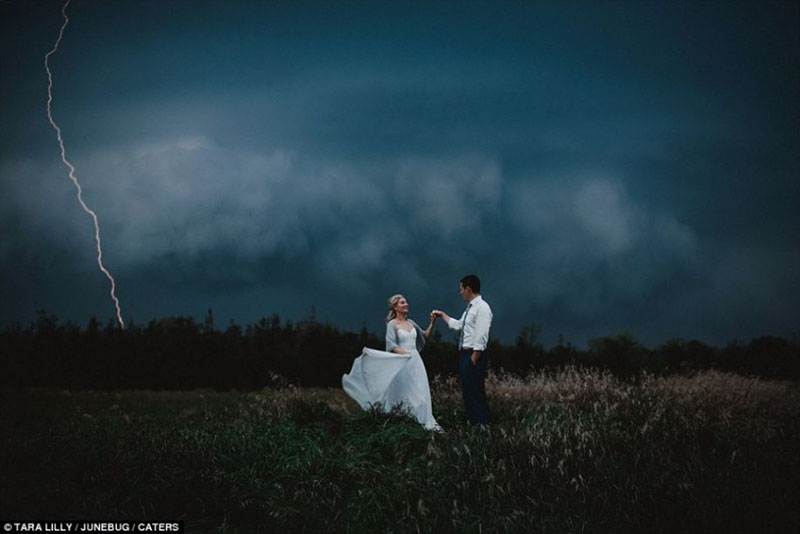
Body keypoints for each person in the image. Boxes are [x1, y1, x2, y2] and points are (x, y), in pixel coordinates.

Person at [342, 294, 442, 431]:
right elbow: (391, 345)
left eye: (406, 302)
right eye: (402, 303)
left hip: (416, 362)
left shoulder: (411, 323)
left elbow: (424, 337)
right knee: (405, 392)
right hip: (403, 362)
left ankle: (423, 420)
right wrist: (405, 354)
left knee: (420, 391)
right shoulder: (392, 324)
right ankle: (406, 421)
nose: (406, 304)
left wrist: (432, 323)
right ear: (395, 307)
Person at [432, 274, 493, 426]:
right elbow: (459, 325)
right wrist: (442, 315)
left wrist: (474, 358)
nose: (460, 292)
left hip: (474, 355)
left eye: (461, 289)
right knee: (468, 392)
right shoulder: (470, 308)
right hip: (465, 355)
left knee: (476, 393)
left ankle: (482, 427)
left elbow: (481, 335)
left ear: (468, 289)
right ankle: (472, 424)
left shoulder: (482, 308)